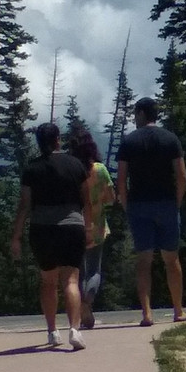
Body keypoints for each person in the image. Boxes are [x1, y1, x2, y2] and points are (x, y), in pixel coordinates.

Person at [10, 123, 93, 350]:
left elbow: (25, 205)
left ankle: (52, 331)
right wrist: (89, 228)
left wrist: (16, 236)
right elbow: (86, 201)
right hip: (72, 227)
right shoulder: (75, 165)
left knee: (48, 282)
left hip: (43, 229)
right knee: (71, 280)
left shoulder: (32, 169)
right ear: (58, 139)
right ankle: (74, 330)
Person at [116, 97, 186, 327]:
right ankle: (178, 310)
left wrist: (126, 204)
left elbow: (121, 179)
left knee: (144, 260)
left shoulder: (129, 142)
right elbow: (181, 175)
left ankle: (147, 313)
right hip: (166, 203)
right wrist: (176, 202)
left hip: (139, 204)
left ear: (140, 113)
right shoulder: (170, 139)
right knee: (171, 258)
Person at [68, 130, 115, 330]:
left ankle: (79, 309)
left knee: (76, 271)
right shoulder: (100, 170)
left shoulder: (70, 169)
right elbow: (111, 198)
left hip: (74, 224)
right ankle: (87, 302)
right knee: (94, 269)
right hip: (96, 225)